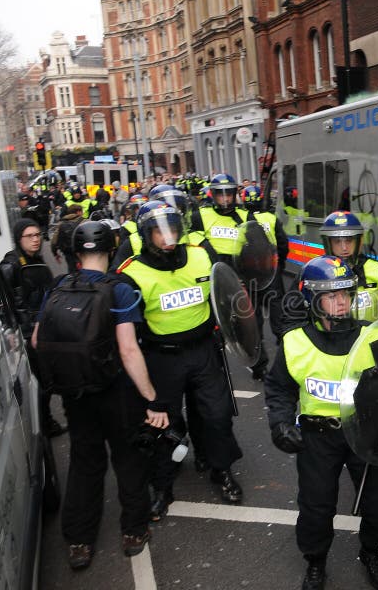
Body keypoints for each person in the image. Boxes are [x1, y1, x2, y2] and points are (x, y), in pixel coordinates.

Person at [32, 221, 169, 569]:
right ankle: (133, 532)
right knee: (128, 460)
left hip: (76, 393)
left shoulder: (59, 286)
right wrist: (152, 397)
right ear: (110, 249)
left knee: (84, 462)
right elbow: (128, 350)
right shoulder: (120, 289)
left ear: (76, 254)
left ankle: (79, 541)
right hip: (117, 392)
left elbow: (37, 340)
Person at [264, 255, 378, 590]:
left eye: (346, 293)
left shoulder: (373, 336)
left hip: (366, 434)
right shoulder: (294, 341)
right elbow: (279, 387)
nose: (342, 302)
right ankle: (315, 562)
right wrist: (280, 424)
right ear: (312, 298)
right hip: (317, 435)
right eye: (332, 295)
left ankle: (371, 552)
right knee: (316, 506)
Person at [117, 201, 243, 519]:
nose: (167, 236)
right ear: (147, 235)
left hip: (202, 351)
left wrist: (229, 333)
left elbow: (226, 294)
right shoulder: (132, 273)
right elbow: (130, 327)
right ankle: (162, 486)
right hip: (162, 357)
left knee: (217, 414)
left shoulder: (201, 256)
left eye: (172, 228)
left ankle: (221, 469)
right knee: (162, 423)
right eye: (158, 231)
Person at [0, 218, 66, 438]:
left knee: (46, 382)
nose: (36, 240)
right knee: (39, 384)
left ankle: (45, 422)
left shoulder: (37, 261)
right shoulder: (11, 265)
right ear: (19, 239)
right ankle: (44, 425)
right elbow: (0, 300)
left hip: (42, 332)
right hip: (25, 336)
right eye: (30, 236)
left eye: (38, 235)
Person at [319, 211, 378, 322]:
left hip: (370, 337)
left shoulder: (377, 270)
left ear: (359, 242)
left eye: (349, 241)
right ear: (328, 243)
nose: (344, 248)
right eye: (337, 241)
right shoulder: (316, 272)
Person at [244, 186, 289, 377]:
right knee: (280, 322)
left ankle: (259, 366)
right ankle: (286, 361)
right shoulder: (271, 218)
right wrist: (279, 267)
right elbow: (283, 245)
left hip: (249, 277)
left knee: (254, 325)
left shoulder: (241, 218)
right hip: (271, 274)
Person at [51, 203, 85, 273]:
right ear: (78, 212)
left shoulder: (62, 223)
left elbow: (54, 241)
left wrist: (55, 253)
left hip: (69, 253)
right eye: (82, 211)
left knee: (72, 270)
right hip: (83, 253)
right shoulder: (85, 222)